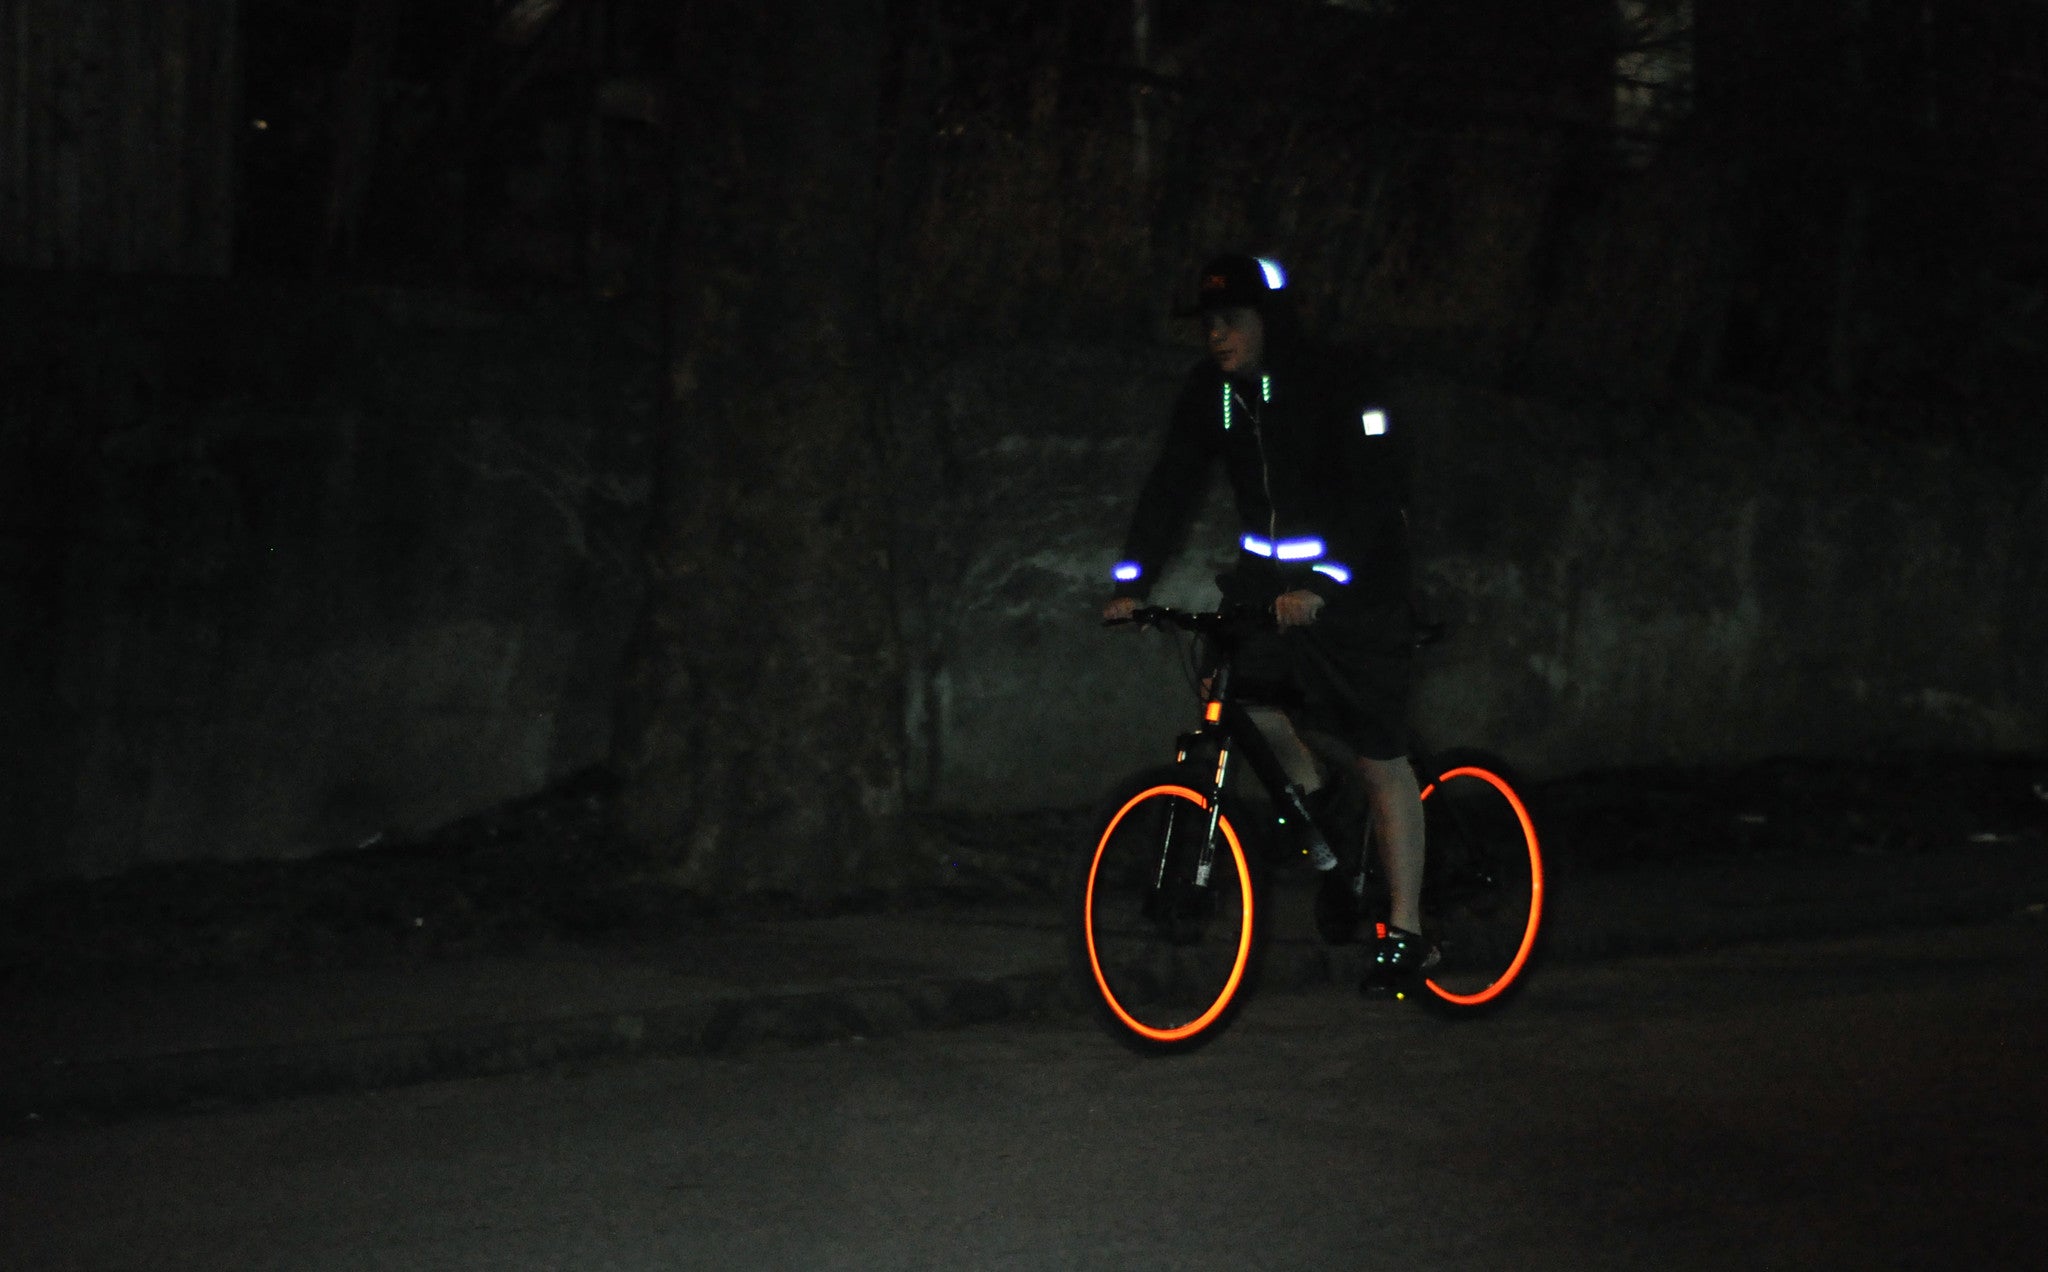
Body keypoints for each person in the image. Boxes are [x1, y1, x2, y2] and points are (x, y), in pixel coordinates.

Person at [1102, 253, 1434, 990]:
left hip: (1357, 586)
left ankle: (1408, 931)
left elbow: (1376, 495)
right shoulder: (1214, 394)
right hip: (1266, 584)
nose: (1217, 337)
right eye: (1209, 324)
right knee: (1240, 699)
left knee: (1379, 756)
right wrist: (1132, 582)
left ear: (1269, 323)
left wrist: (1325, 580)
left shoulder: (1335, 382)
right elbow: (1171, 484)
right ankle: (1322, 821)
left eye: (1233, 322)